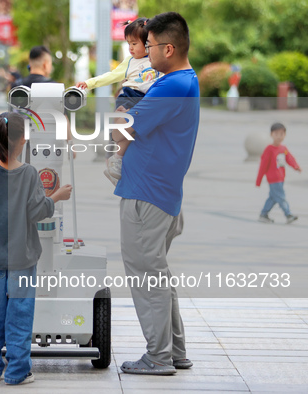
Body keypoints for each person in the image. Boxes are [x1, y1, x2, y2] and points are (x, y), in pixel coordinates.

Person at [111, 12, 199, 375]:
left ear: (169, 47)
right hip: (160, 192)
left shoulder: (170, 86)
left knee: (146, 275)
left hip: (147, 194)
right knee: (157, 274)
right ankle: (174, 351)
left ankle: (159, 356)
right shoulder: (184, 82)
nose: (144, 54)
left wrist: (117, 119)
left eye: (148, 47)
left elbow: (122, 130)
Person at [0, 112, 72, 385]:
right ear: (23, 140)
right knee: (20, 315)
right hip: (22, 258)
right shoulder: (29, 174)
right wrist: (57, 196)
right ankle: (16, 372)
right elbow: (37, 211)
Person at [76, 18, 162, 185]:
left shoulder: (156, 60)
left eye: (134, 43)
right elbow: (111, 76)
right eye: (128, 43)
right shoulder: (130, 62)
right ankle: (116, 160)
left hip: (146, 101)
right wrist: (89, 83)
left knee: (135, 133)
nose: (130, 47)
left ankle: (120, 165)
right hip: (130, 98)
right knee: (125, 130)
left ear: (148, 43)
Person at [256, 123, 301, 224]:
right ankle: (288, 214)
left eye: (282, 134)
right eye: (276, 134)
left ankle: (263, 214)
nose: (279, 136)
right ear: (271, 135)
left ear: (285, 135)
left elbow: (289, 158)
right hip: (273, 178)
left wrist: (296, 166)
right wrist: (258, 180)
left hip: (281, 178)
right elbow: (263, 165)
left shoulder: (283, 149)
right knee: (281, 196)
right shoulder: (269, 149)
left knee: (273, 198)